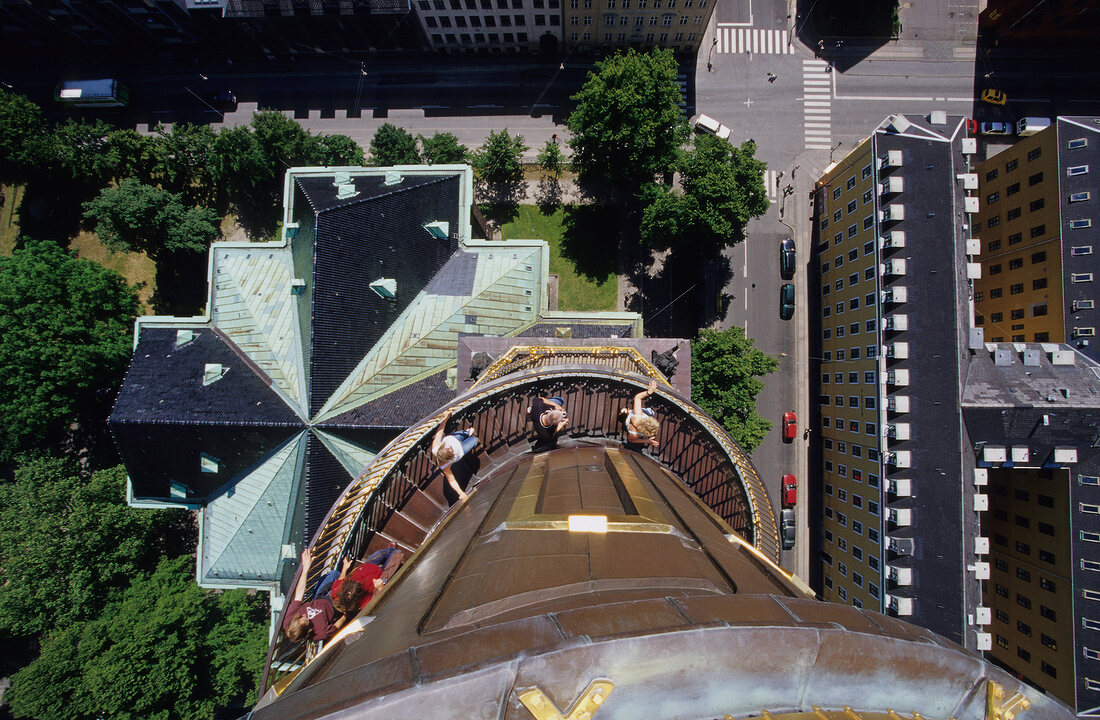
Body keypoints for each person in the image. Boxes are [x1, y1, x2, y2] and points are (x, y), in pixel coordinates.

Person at [283, 548, 346, 643]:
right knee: (345, 587)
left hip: (319, 598)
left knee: (333, 575)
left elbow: (299, 594)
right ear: (308, 630)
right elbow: (336, 627)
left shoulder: (288, 621)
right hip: (334, 606)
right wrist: (347, 614)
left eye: (300, 616)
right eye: (305, 618)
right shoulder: (320, 633)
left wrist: (306, 568)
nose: (304, 614)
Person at [330, 545, 406, 614]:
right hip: (380, 578)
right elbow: (376, 601)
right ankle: (395, 555)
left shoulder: (335, 592)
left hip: (367, 568)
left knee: (380, 553)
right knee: (397, 554)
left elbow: (340, 579)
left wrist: (345, 568)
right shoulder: (362, 604)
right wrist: (380, 588)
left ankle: (390, 549)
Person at [431, 409, 477, 500]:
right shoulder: (444, 465)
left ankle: (468, 433)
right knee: (474, 440)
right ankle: (470, 437)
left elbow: (439, 432)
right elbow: (451, 480)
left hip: (454, 438)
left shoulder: (435, 447)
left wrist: (445, 418)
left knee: (471, 430)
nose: (451, 447)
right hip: (462, 449)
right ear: (450, 458)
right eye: (451, 450)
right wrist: (461, 493)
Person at [619, 379, 661, 449]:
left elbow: (637, 398)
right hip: (638, 415)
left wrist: (648, 392)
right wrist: (647, 441)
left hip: (633, 416)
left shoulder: (638, 418)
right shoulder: (635, 432)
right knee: (648, 412)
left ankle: (628, 411)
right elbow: (631, 440)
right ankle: (628, 411)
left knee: (647, 411)